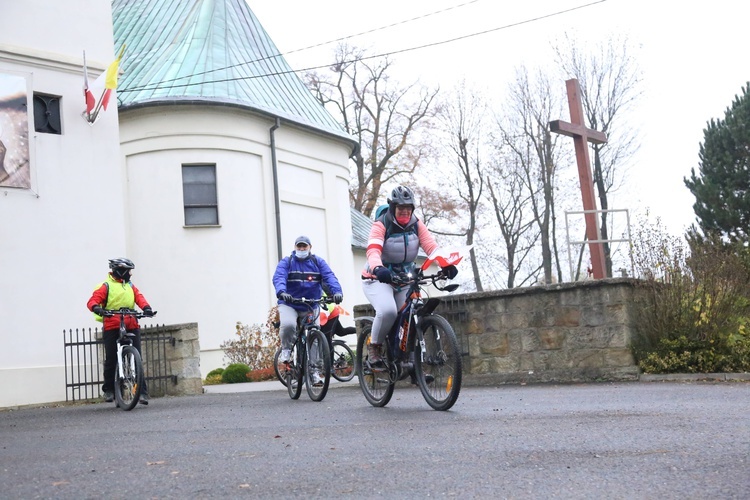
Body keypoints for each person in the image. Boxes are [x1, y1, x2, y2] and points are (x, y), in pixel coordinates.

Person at [361, 185, 458, 370]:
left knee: (413, 311)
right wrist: (379, 268)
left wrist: (446, 265)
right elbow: (373, 250)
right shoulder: (381, 224)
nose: (405, 212)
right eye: (400, 209)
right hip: (377, 277)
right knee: (388, 311)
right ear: (392, 208)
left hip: (404, 277)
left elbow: (432, 247)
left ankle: (411, 362)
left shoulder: (416, 224)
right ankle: (374, 348)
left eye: (408, 208)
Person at [272, 236, 344, 385]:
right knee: (288, 325)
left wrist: (337, 292)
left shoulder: (318, 262)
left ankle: (315, 372)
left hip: (311, 304)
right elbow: (279, 277)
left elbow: (330, 277)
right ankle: (287, 352)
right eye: (299, 247)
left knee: (315, 335)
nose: (302, 249)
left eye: (304, 247)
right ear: (295, 247)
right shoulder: (287, 262)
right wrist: (282, 291)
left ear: (310, 247)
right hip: (289, 303)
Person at [87, 258, 155, 405]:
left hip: (130, 322)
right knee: (111, 358)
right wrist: (97, 308)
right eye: (128, 271)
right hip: (112, 324)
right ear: (121, 271)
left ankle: (142, 392)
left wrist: (146, 308)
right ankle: (109, 390)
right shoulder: (107, 286)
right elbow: (93, 300)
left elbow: (139, 297)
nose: (130, 274)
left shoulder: (130, 285)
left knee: (137, 358)